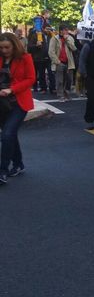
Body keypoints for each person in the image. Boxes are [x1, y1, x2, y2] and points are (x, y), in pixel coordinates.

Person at [0, 33, 35, 185]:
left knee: (7, 134)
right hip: (2, 104)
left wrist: (12, 89)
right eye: (1, 48)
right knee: (10, 135)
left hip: (19, 103)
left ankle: (3, 170)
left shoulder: (25, 58)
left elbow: (30, 79)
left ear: (14, 45)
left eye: (7, 47)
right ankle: (19, 164)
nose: (4, 50)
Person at [48, 25, 77, 102]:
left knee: (69, 79)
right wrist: (57, 61)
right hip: (59, 62)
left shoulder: (70, 38)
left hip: (69, 62)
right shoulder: (54, 39)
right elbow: (51, 52)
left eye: (67, 30)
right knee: (60, 80)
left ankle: (66, 92)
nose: (67, 32)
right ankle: (60, 95)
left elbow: (74, 48)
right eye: (65, 30)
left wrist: (67, 40)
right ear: (61, 31)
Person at [27, 24, 55, 94]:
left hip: (49, 57)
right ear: (43, 29)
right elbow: (29, 47)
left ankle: (53, 88)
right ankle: (43, 88)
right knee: (42, 74)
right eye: (47, 29)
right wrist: (36, 45)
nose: (48, 30)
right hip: (40, 58)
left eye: (49, 29)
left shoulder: (51, 36)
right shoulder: (36, 35)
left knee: (51, 73)